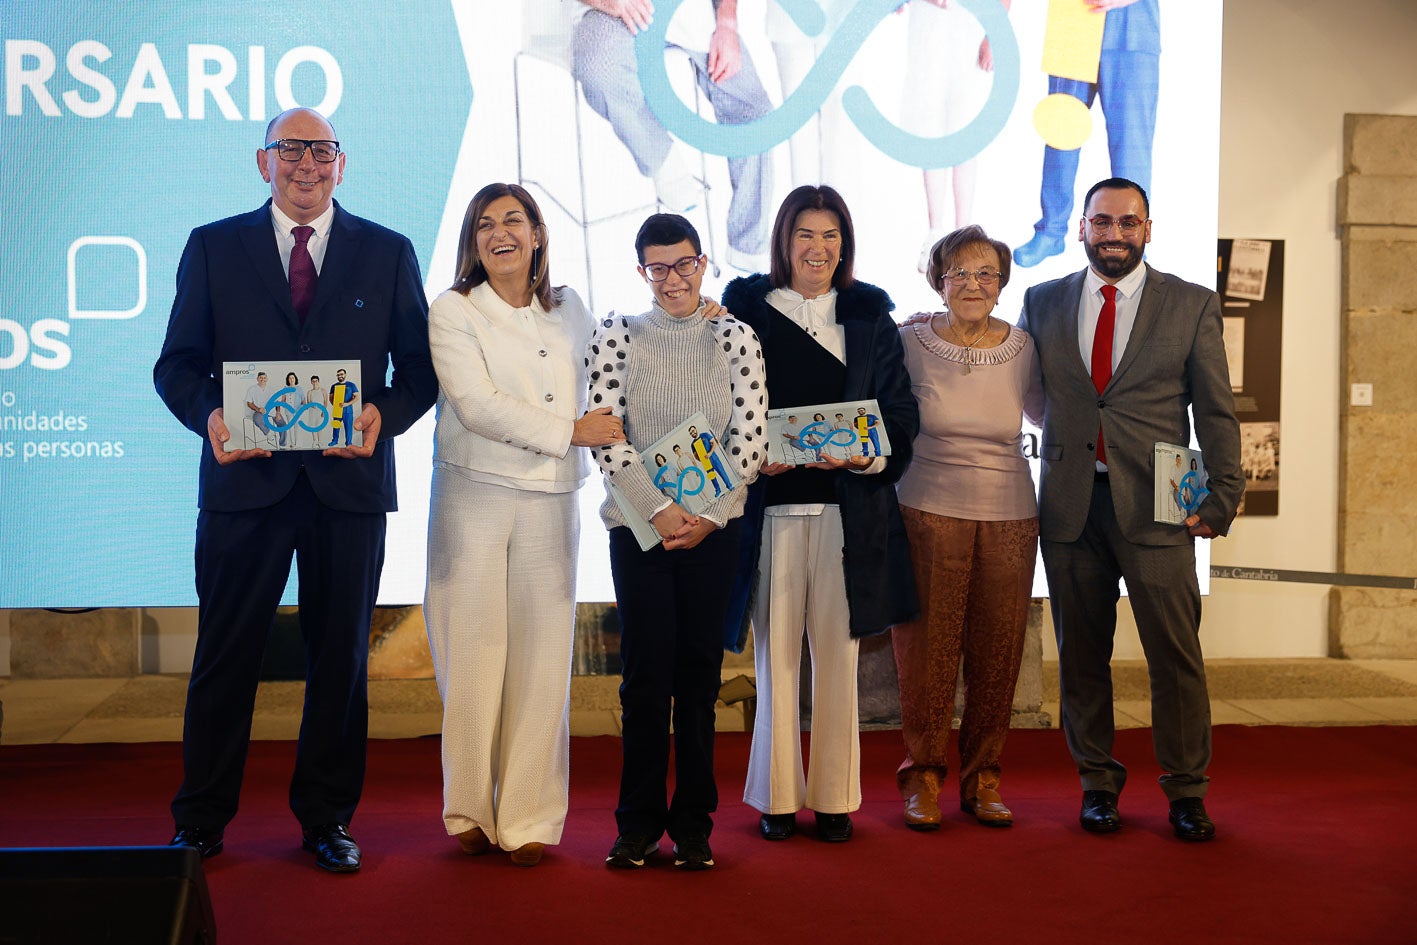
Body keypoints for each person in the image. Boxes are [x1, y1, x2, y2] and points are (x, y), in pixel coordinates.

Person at [154, 107, 437, 872]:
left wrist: (382, 414)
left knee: (339, 660)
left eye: (321, 150)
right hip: (244, 486)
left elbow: (418, 373)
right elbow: (175, 365)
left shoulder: (387, 252)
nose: (305, 164)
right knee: (224, 654)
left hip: (346, 488)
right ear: (262, 160)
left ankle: (327, 817)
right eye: (290, 149)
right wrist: (208, 416)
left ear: (341, 164)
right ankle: (202, 819)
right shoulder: (213, 248)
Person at [1017, 177, 1242, 841]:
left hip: (1160, 508)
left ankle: (1185, 790)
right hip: (1068, 508)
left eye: (1126, 222)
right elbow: (1026, 387)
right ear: (1081, 227)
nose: (1113, 233)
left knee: (1175, 657)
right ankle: (1096, 785)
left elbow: (1215, 407)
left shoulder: (1191, 304)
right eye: (1101, 221)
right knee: (1080, 657)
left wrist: (1222, 494)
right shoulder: (1042, 300)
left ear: (1147, 228)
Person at [422, 182, 622, 868]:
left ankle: (531, 814)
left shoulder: (571, 309)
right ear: (473, 243)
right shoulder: (452, 310)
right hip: (472, 496)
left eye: (514, 219)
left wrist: (695, 320)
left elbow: (612, 375)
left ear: (538, 233)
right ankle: (469, 807)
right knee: (472, 658)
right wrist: (568, 430)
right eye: (485, 224)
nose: (499, 232)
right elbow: (476, 404)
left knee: (542, 660)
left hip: (550, 499)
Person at [723, 185, 919, 843]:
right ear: (783, 240)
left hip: (848, 516)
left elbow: (899, 416)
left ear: (845, 243)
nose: (817, 247)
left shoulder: (867, 318)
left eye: (829, 235)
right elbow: (722, 414)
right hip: (770, 514)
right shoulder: (745, 314)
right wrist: (753, 456)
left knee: (838, 662)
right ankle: (776, 797)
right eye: (804, 234)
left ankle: (834, 797)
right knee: (775, 665)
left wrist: (857, 453)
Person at [591, 213, 766, 871]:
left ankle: (693, 825)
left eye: (684, 264)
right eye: (658, 267)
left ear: (702, 262)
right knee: (643, 683)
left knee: (696, 681)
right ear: (642, 271)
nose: (673, 279)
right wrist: (660, 511)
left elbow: (747, 440)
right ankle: (635, 825)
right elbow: (606, 434)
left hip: (713, 534)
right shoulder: (616, 335)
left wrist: (710, 516)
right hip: (638, 533)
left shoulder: (735, 337)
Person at [891, 225, 1043, 831]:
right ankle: (922, 778)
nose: (974, 284)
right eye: (960, 273)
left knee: (999, 650)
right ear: (939, 281)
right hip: (926, 509)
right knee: (925, 652)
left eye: (987, 274)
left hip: (1010, 514)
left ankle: (984, 779)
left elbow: (1047, 412)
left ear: (1003, 286)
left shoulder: (1028, 348)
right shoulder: (909, 340)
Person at [570, 0, 773, 271]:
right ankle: (665, 165)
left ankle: (748, 247)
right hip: (614, 12)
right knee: (600, 72)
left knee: (754, 111)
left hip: (693, 12)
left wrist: (727, 23)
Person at [1013, 0, 1160, 268]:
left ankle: (1133, 239)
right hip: (1073, 23)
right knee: (1061, 136)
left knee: (1131, 148)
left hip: (1132, 30)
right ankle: (1051, 232)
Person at [329, 367, 359, 446]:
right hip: (337, 410)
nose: (340, 376)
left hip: (348, 410)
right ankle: (334, 441)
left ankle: (349, 443)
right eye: (338, 375)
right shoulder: (334, 386)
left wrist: (347, 404)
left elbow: (357, 397)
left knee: (348, 427)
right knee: (336, 426)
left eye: (341, 374)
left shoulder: (351, 385)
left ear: (345, 374)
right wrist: (335, 405)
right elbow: (331, 397)